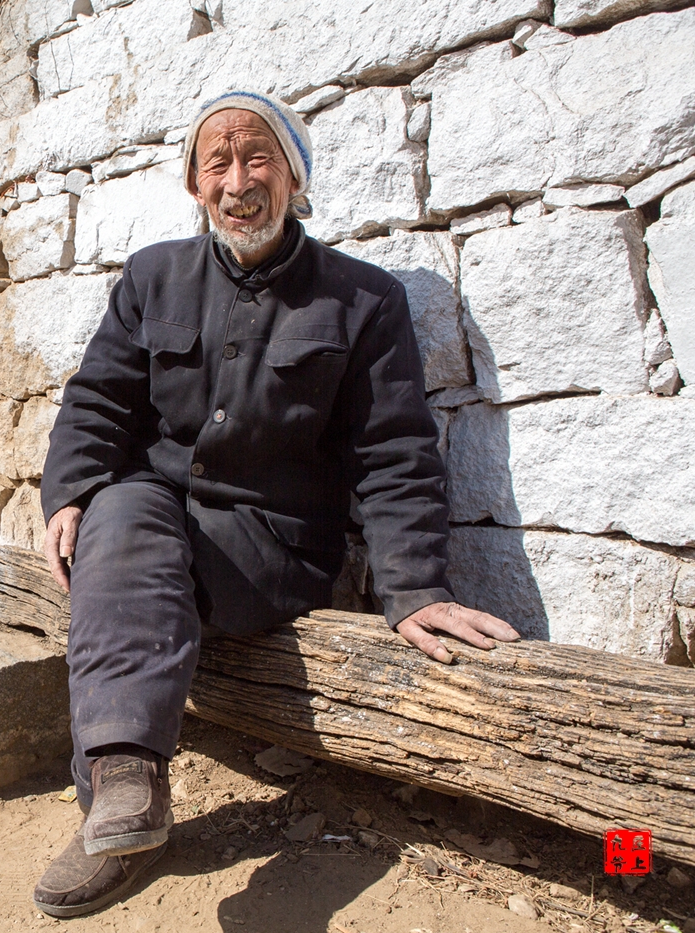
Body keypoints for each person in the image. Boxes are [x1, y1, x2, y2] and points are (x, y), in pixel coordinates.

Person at [31, 89, 520, 918]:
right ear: (193, 184)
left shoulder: (361, 300)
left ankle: (126, 789)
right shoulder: (153, 278)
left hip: (266, 557)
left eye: (257, 157)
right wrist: (71, 488)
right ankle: (123, 794)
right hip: (146, 533)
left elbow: (395, 450)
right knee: (118, 507)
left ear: (294, 175)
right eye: (215, 162)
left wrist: (414, 587)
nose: (237, 181)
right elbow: (99, 400)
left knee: (126, 524)